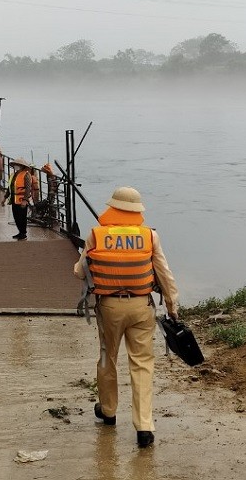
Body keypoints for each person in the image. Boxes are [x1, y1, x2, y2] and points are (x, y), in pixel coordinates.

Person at [73, 186, 179, 449]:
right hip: (142, 307)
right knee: (142, 363)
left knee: (107, 357)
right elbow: (164, 274)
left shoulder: (96, 235)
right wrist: (171, 306)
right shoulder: (149, 236)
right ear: (137, 210)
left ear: (112, 208)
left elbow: (79, 272)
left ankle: (108, 412)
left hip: (109, 307)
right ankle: (144, 426)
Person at [1, 158, 33, 240]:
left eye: (18, 165)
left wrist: (25, 200)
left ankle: (23, 234)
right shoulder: (13, 175)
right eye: (15, 165)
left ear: (22, 166)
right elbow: (10, 188)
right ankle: (20, 232)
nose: (16, 166)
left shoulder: (26, 174)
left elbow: (28, 188)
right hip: (14, 199)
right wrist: (5, 197)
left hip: (22, 200)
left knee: (22, 217)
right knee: (16, 217)